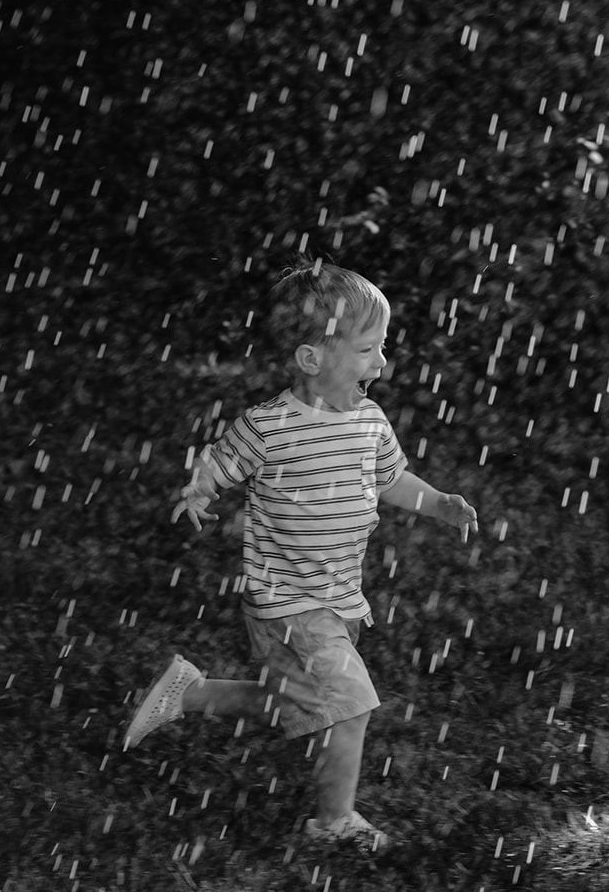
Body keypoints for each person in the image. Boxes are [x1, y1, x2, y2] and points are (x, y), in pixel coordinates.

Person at [124, 256, 478, 851]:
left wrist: (437, 502)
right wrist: (199, 489)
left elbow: (392, 479)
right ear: (312, 359)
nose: (382, 363)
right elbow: (219, 461)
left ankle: (190, 692)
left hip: (337, 597)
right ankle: (333, 821)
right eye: (368, 350)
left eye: (382, 347)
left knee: (298, 699)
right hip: (286, 602)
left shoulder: (370, 422)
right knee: (350, 704)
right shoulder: (270, 427)